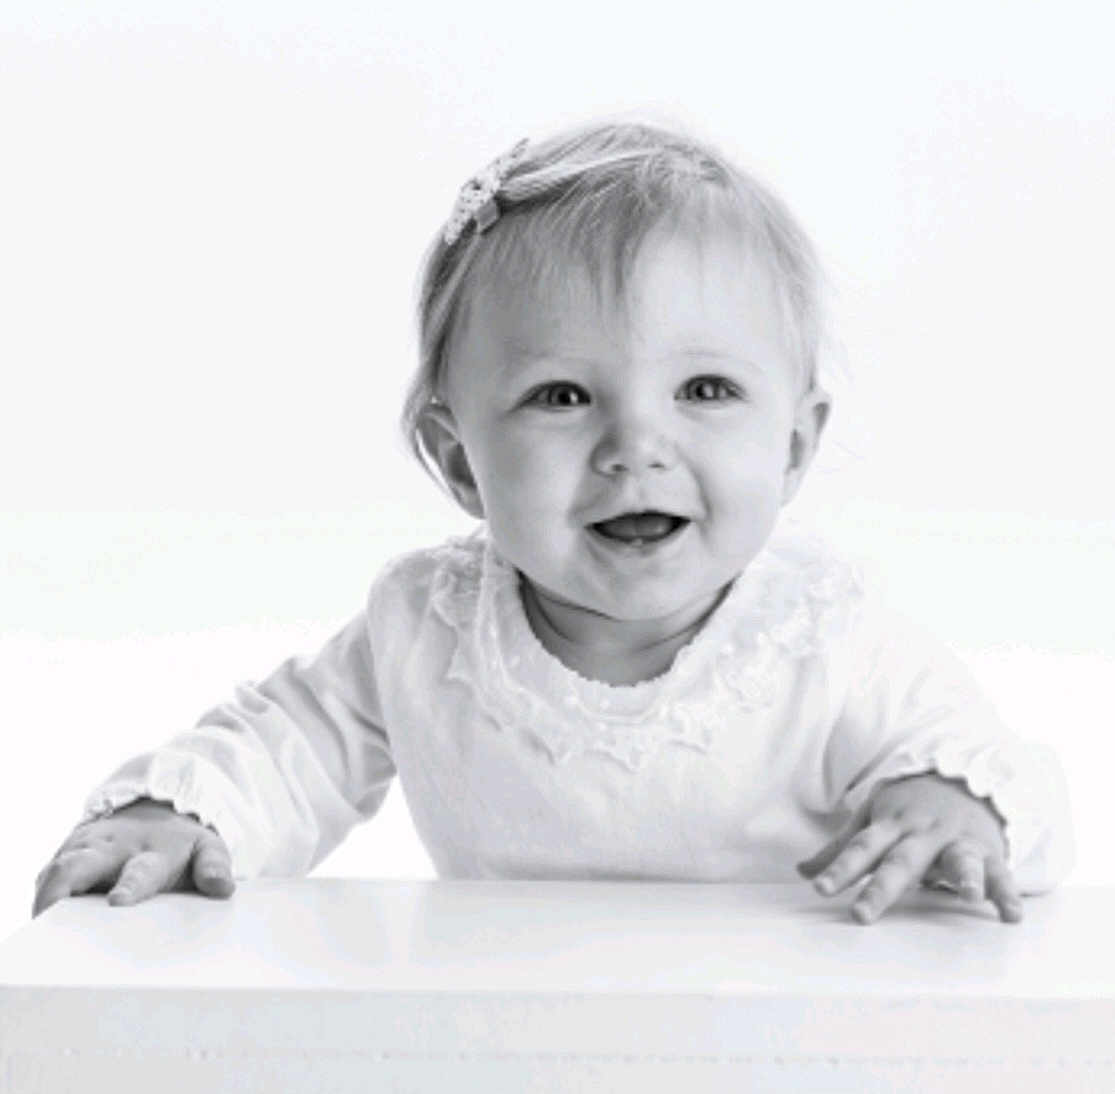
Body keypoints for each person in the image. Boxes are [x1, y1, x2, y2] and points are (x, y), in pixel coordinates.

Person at [32, 118, 1074, 925]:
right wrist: (181, 811)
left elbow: (993, 770)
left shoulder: (825, 635)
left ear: (793, 446)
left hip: (784, 1028)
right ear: (456, 460)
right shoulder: (427, 628)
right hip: (512, 1027)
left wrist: (954, 802)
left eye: (704, 389)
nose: (636, 445)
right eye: (563, 396)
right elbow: (285, 745)